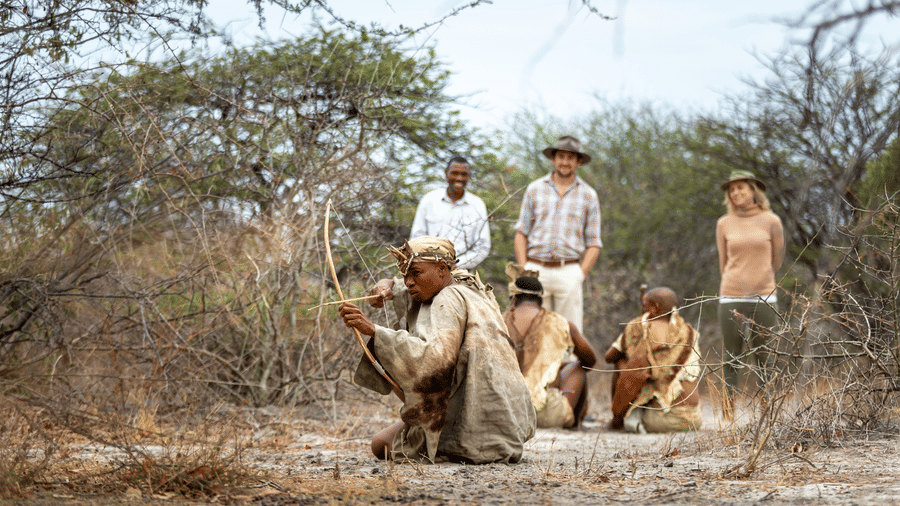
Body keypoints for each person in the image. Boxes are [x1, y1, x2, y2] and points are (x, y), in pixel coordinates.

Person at [339, 237, 535, 464]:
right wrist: (387, 285)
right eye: (405, 275)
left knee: (380, 444)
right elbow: (410, 284)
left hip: (473, 426)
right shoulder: (466, 283)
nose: (409, 282)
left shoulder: (447, 299)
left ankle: (448, 443)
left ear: (442, 269)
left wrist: (373, 331)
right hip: (508, 425)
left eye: (415, 273)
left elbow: (433, 359)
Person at [514, 136, 602, 332]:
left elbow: (594, 242)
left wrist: (580, 274)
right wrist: (523, 268)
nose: (565, 162)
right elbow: (521, 232)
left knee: (567, 333)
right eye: (561, 156)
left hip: (568, 270)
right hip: (535, 268)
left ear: (578, 162)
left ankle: (567, 357)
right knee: (531, 331)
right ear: (553, 159)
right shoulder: (535, 189)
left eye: (570, 157)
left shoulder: (589, 195)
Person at [716, 170, 784, 407]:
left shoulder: (772, 221)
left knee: (765, 357)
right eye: (731, 189)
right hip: (731, 296)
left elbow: (777, 260)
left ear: (753, 189)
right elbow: (723, 262)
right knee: (731, 357)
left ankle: (767, 412)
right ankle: (728, 413)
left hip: (764, 296)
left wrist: (760, 280)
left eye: (740, 187)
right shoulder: (724, 223)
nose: (735, 193)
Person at [502, 263, 597, 429]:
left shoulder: (497, 320)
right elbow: (590, 361)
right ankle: (575, 424)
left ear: (514, 299)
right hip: (548, 415)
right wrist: (558, 368)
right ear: (541, 301)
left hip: (505, 411)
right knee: (579, 367)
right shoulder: (561, 323)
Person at [604, 287, 702, 433]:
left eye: (645, 306)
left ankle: (617, 422)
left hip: (663, 419)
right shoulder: (688, 331)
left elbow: (611, 358)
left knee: (621, 363)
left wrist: (630, 338)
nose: (643, 311)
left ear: (655, 308)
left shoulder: (643, 328)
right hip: (694, 419)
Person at [410, 156, 490, 270]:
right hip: (428, 270)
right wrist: (431, 263)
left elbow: (483, 247)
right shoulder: (429, 200)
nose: (459, 178)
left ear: (469, 176)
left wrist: (455, 264)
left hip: (462, 272)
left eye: (464, 174)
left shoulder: (478, 205)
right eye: (454, 173)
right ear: (446, 174)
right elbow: (416, 239)